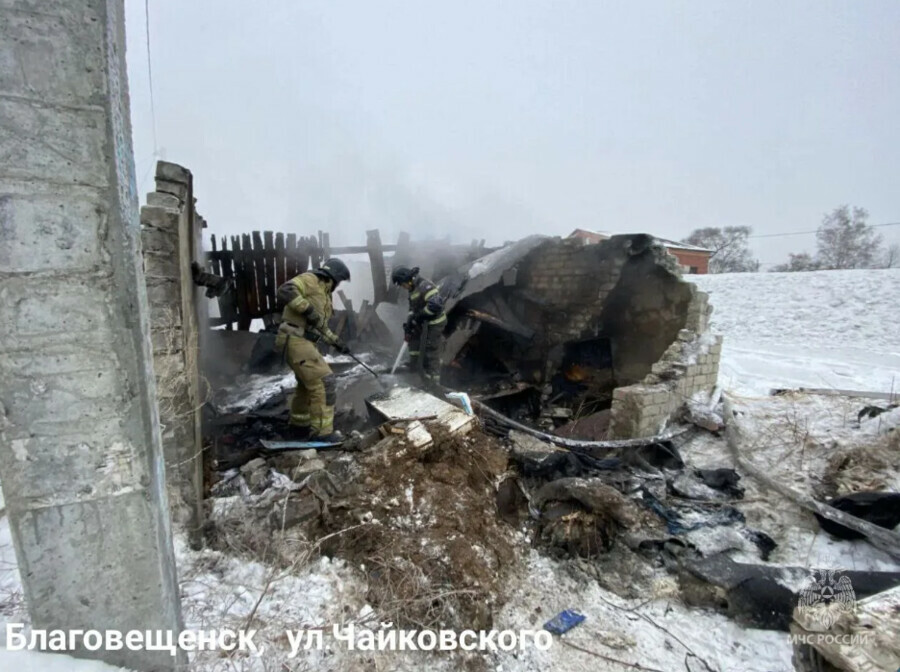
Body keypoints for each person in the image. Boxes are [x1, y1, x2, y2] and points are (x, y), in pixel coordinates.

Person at [275, 258, 351, 442]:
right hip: (295, 339)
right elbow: (285, 290)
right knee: (325, 382)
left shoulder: (324, 294)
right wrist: (307, 309)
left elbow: (320, 325)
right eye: (338, 281)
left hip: (302, 340)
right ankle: (323, 433)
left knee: (306, 385)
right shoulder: (311, 279)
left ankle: (299, 426)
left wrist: (336, 341)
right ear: (333, 277)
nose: (337, 285)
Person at [390, 266, 446, 385]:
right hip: (423, 321)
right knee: (413, 341)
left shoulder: (425, 286)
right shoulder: (412, 290)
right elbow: (413, 308)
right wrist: (410, 322)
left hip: (435, 322)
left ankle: (433, 381)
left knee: (430, 349)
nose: (402, 287)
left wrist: (419, 316)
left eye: (402, 284)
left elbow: (435, 305)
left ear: (408, 279)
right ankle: (414, 368)